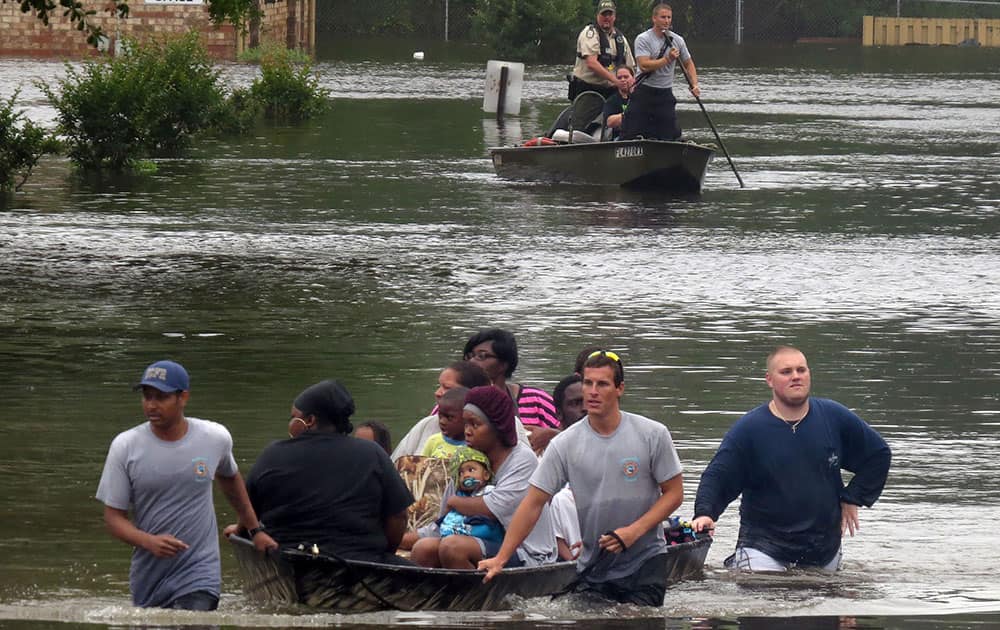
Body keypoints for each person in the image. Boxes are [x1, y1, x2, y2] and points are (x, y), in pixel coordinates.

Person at [479, 351, 685, 606]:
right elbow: (533, 503)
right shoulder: (565, 444)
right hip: (594, 564)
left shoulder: (652, 434)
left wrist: (634, 531)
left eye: (602, 384)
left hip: (646, 560)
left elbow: (674, 493)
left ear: (619, 389)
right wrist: (501, 558)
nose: (593, 391)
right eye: (588, 383)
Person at [691, 346, 892, 573]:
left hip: (824, 548)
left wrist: (853, 497)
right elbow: (718, 475)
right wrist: (705, 512)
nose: (796, 376)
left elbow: (878, 455)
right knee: (764, 598)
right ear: (769, 379)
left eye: (801, 370)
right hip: (764, 547)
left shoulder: (834, 417)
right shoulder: (749, 429)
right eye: (786, 372)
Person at [96, 360, 276, 610]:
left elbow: (230, 479)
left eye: (161, 397)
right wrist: (149, 542)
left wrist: (254, 531)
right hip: (149, 577)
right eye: (147, 397)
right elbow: (113, 519)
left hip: (199, 572)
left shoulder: (214, 438)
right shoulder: (125, 447)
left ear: (183, 398)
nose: (151, 405)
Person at [243, 379, 414, 564]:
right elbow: (398, 516)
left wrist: (239, 532)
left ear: (309, 420)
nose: (291, 422)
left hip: (285, 559)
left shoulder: (273, 453)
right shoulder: (373, 453)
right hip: (361, 562)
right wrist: (385, 554)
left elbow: (247, 509)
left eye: (294, 416)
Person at [411, 386, 557, 569]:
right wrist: (397, 540)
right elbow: (444, 519)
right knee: (423, 549)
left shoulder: (522, 460)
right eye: (465, 424)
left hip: (524, 552)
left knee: (453, 547)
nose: (467, 431)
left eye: (475, 424)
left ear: (498, 427)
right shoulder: (468, 457)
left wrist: (455, 502)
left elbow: (494, 507)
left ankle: (474, 597)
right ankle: (439, 597)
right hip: (477, 539)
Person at [463, 328, 559, 446]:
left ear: (503, 364)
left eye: (481, 356)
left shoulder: (537, 400)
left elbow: (572, 438)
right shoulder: (455, 400)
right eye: (469, 356)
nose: (472, 362)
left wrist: (553, 435)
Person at [622, 3, 700, 141]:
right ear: (654, 18)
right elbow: (644, 65)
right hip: (644, 91)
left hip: (664, 93)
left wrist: (694, 84)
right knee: (631, 127)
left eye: (669, 17)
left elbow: (689, 63)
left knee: (670, 132)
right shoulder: (643, 39)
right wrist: (667, 59)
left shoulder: (677, 40)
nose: (667, 21)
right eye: (663, 17)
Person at [390, 361, 493, 461]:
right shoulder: (428, 424)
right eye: (439, 385)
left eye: (447, 388)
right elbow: (396, 462)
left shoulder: (487, 438)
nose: (438, 393)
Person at [431, 447, 505, 551]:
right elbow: (445, 515)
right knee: (424, 545)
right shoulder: (459, 495)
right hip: (458, 533)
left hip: (484, 536)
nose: (466, 475)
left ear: (486, 475)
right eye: (461, 473)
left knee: (453, 544)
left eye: (471, 470)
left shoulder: (489, 491)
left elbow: (493, 510)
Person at [568, 0, 635, 101]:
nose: (607, 17)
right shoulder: (590, 34)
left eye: (610, 14)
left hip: (612, 90)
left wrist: (630, 85)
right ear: (597, 16)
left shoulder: (621, 39)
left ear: (614, 16)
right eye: (604, 14)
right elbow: (591, 63)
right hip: (588, 89)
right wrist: (616, 81)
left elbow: (630, 67)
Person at [421, 386, 468, 459]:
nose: (442, 421)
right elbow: (422, 465)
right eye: (440, 415)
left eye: (449, 417)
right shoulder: (433, 441)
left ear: (467, 418)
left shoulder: (475, 446)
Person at [603, 65, 635, 139]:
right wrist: (630, 114)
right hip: (620, 138)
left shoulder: (642, 97)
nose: (623, 80)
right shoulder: (612, 100)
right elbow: (609, 122)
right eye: (619, 78)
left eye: (626, 77)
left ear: (634, 79)